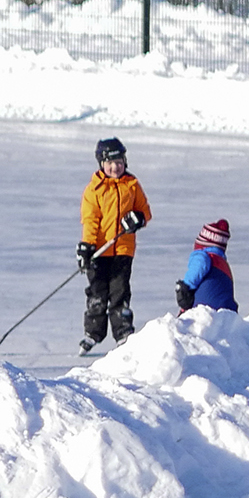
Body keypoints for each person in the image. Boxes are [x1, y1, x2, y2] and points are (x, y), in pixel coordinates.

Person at [78, 136, 152, 352]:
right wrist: (87, 246)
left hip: (123, 249)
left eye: (119, 162)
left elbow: (145, 211)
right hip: (99, 251)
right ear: (101, 163)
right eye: (110, 163)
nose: (115, 167)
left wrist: (138, 218)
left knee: (120, 292)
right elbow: (90, 220)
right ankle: (93, 333)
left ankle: (123, 333)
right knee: (97, 292)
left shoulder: (132, 185)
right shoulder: (95, 189)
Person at [176, 219, 236, 315]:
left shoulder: (203, 256)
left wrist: (185, 288)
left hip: (206, 309)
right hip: (228, 312)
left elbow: (199, 266)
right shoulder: (223, 264)